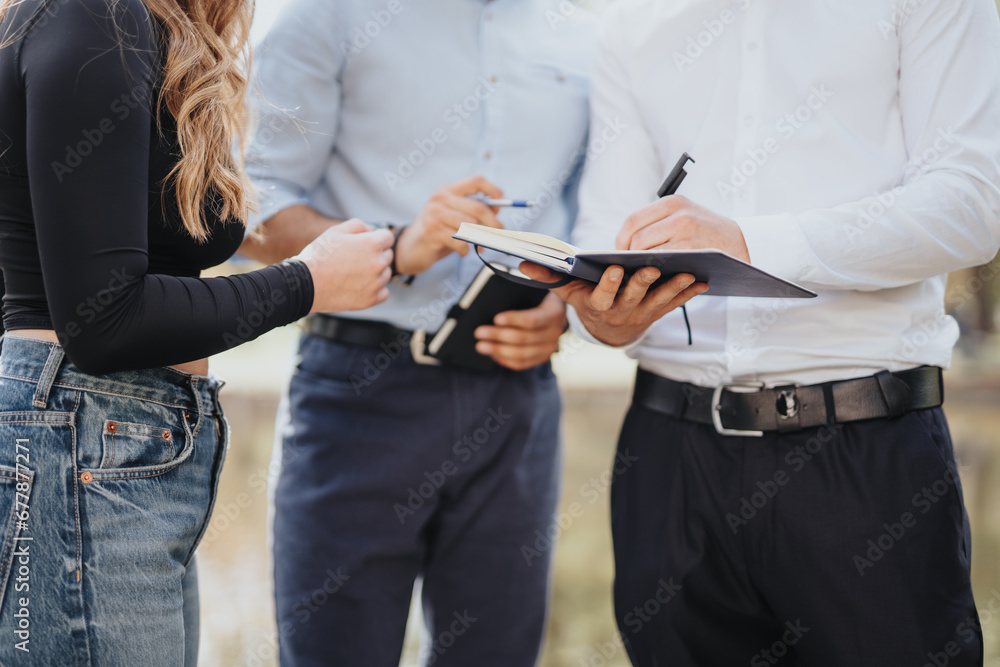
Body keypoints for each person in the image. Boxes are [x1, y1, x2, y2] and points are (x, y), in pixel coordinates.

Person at [521, 0, 1000, 664]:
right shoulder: (632, 20)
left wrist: (749, 242)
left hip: (865, 457)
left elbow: (972, 202)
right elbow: (609, 227)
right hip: (670, 462)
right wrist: (600, 317)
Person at [0, 0, 393, 662]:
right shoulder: (95, 16)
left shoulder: (124, 25)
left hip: (111, 445)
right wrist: (309, 282)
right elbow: (104, 319)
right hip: (88, 438)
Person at [238, 1, 597, 665]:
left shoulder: (585, 27)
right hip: (357, 397)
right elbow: (248, 207)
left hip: (518, 402)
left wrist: (566, 309)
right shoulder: (324, 15)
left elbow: (594, 213)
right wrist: (396, 245)